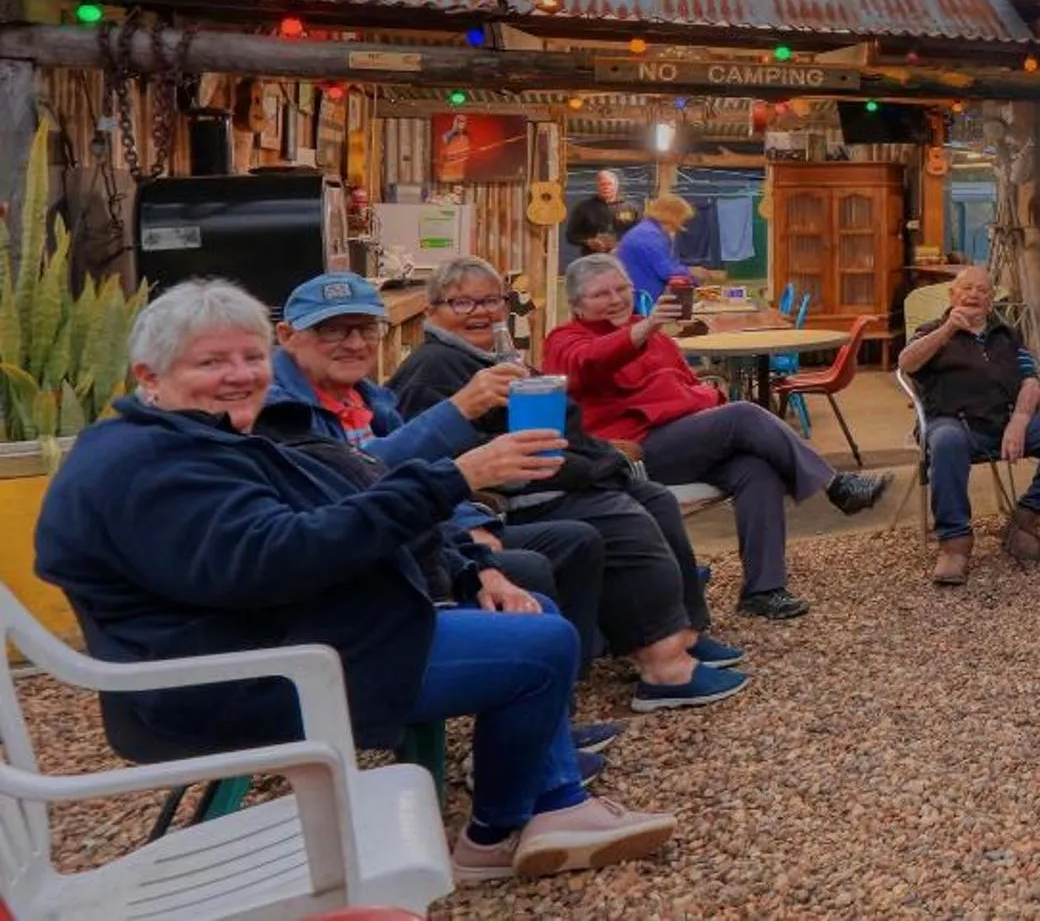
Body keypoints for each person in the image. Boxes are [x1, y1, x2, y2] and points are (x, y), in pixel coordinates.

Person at [36, 279, 679, 883]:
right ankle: (497, 835)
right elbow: (277, 558)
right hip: (245, 676)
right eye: (211, 363)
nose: (239, 375)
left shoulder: (195, 440)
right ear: (150, 376)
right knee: (543, 645)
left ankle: (555, 804)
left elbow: (331, 507)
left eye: (249, 357)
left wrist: (467, 565)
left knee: (527, 603)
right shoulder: (153, 466)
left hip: (275, 642)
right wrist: (455, 478)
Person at [390, 256, 748, 710]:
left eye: (491, 300)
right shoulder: (435, 367)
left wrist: (597, 459)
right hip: (507, 498)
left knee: (652, 497)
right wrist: (590, 464)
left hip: (557, 473)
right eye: (462, 303)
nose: (479, 311)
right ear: (432, 311)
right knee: (623, 518)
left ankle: (680, 635)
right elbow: (447, 456)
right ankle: (664, 668)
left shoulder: (491, 355)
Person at [258, 272, 609, 684]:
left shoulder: (369, 397)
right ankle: (540, 682)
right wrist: (460, 414)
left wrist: (471, 524)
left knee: (579, 537)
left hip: (423, 533)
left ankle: (574, 685)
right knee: (531, 571)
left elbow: (415, 478)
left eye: (366, 329)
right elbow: (356, 479)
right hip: (368, 561)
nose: (354, 343)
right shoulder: (280, 410)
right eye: (332, 330)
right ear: (286, 334)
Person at [547, 254, 891, 621]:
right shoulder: (565, 340)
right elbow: (591, 362)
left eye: (621, 289)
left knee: (756, 469)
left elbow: (691, 383)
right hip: (635, 452)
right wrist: (646, 328)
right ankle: (835, 485)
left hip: (689, 437)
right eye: (601, 294)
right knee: (743, 414)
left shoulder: (654, 338)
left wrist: (706, 400)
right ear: (577, 305)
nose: (615, 299)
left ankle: (763, 590)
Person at [902, 262, 1040, 584]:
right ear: (952, 295)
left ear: (990, 301)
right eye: (966, 288)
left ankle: (1025, 519)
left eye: (982, 290)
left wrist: (1019, 419)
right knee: (946, 442)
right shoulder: (931, 331)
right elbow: (907, 363)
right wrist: (947, 331)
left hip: (1003, 423)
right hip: (952, 423)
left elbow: (1031, 382)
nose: (973, 294)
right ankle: (954, 544)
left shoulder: (1006, 335)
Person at [614, 193, 724, 301]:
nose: (681, 225)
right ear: (673, 216)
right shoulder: (649, 236)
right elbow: (666, 271)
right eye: (682, 219)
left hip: (639, 294)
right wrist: (693, 272)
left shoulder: (647, 231)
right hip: (643, 301)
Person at [566, 169, 638, 257]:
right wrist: (588, 242)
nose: (606, 187)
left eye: (609, 184)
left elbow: (640, 234)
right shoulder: (584, 207)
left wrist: (623, 244)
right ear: (597, 186)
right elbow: (571, 235)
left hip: (623, 258)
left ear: (616, 186)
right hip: (593, 259)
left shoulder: (631, 208)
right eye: (602, 184)